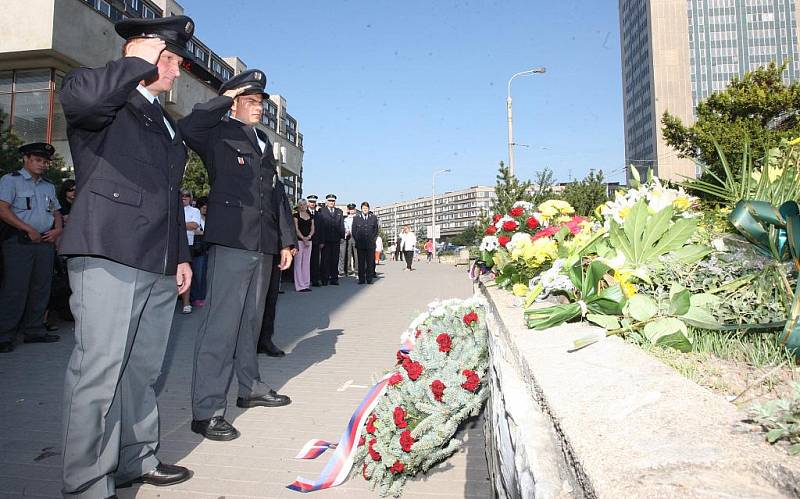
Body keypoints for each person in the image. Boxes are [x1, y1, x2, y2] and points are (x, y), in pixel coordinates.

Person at [58, 15, 196, 497]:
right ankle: (87, 483)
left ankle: (137, 459)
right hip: (110, 252)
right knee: (100, 371)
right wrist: (136, 60)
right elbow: (84, 101)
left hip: (158, 261)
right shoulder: (98, 91)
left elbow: (169, 194)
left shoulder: (166, 121)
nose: (178, 71)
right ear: (144, 54)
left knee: (143, 370)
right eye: (171, 60)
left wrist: (180, 255)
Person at [179, 68, 295, 442]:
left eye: (261, 101)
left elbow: (276, 196)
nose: (259, 107)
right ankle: (207, 409)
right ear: (233, 103)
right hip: (231, 241)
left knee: (250, 323)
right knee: (221, 326)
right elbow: (189, 127)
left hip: (262, 243)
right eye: (251, 100)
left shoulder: (262, 141)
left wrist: (287, 241)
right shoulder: (216, 132)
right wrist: (226, 97)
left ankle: (251, 387)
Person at [0, 142, 63, 353]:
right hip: (20, 242)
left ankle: (34, 330)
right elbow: (2, 210)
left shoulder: (48, 185)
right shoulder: (11, 181)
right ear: (25, 159)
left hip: (45, 242)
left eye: (45, 161)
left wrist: (58, 229)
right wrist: (28, 229)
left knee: (41, 287)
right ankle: (4, 335)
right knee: (15, 289)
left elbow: (55, 211)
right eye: (37, 160)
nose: (42, 164)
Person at [180, 188, 202, 313]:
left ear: (191, 198)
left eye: (187, 195)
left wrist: (178, 223)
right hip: (173, 244)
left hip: (188, 245)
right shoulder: (174, 209)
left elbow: (194, 225)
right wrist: (185, 224)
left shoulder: (195, 210)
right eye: (182, 195)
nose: (184, 197)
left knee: (186, 274)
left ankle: (186, 303)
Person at [317, 193, 344, 285]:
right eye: (330, 201)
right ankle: (325, 279)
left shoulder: (339, 211)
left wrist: (342, 236)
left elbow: (341, 225)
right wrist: (321, 240)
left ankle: (334, 279)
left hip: (336, 239)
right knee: (325, 260)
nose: (331, 202)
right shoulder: (321, 211)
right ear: (327, 201)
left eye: (333, 201)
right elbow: (320, 226)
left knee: (335, 259)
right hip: (325, 240)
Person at [352, 201, 379, 284]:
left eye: (366, 208)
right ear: (361, 209)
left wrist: (373, 239)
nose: (365, 210)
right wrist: (358, 239)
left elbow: (376, 230)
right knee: (361, 262)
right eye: (363, 208)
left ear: (368, 209)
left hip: (370, 244)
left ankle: (369, 278)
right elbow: (354, 231)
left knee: (370, 262)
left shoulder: (373, 218)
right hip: (360, 244)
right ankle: (361, 279)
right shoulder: (356, 218)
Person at [190, 196, 209, 307]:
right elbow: (195, 231)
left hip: (206, 248)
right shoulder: (196, 215)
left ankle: (201, 296)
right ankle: (196, 297)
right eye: (203, 206)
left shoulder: (209, 219)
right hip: (197, 248)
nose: (205, 209)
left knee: (204, 274)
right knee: (197, 273)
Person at [293, 198, 314, 291]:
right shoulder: (296, 215)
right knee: (298, 263)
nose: (302, 206)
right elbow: (296, 229)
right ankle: (299, 286)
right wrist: (303, 238)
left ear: (306, 206)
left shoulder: (310, 215)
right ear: (298, 206)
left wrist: (308, 237)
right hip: (299, 241)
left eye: (304, 204)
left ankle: (306, 284)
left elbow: (313, 228)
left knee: (306, 263)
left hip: (309, 241)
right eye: (300, 205)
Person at [307, 194, 324, 286]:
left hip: (316, 241)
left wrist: (322, 241)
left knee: (315, 261)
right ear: (308, 202)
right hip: (306, 241)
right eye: (310, 202)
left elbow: (321, 229)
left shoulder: (319, 215)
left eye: (314, 202)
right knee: (306, 261)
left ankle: (315, 280)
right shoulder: (304, 212)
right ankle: (306, 279)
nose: (312, 204)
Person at [339, 203, 357, 277]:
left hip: (356, 237)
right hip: (349, 237)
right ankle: (348, 269)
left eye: (353, 209)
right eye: (350, 209)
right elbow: (345, 228)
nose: (351, 211)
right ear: (348, 210)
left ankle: (357, 269)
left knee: (356, 254)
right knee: (348, 254)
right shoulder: (346, 219)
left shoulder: (357, 218)